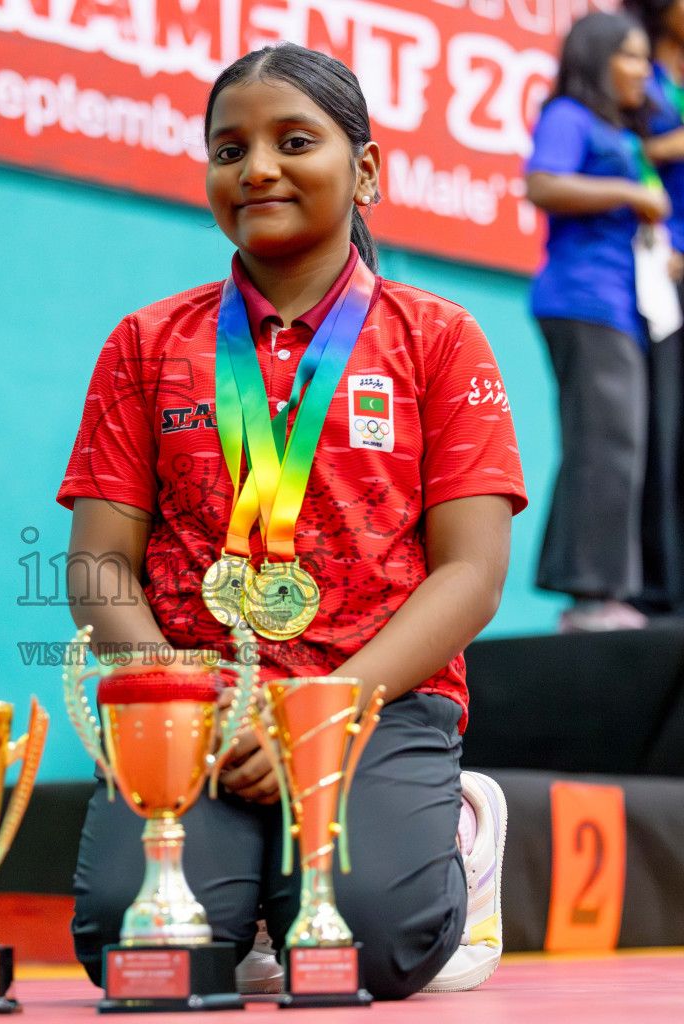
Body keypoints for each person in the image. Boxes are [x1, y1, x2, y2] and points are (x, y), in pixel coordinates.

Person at [57, 42, 527, 1000]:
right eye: (228, 150)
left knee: (376, 951)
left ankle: (458, 847)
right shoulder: (145, 346)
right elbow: (100, 565)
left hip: (376, 699)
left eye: (294, 140)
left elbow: (470, 576)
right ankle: (262, 905)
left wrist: (332, 710)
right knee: (139, 952)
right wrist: (178, 699)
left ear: (366, 170)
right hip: (203, 708)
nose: (257, 167)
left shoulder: (439, 340)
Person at [526, 11, 671, 632]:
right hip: (581, 299)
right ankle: (588, 599)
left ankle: (605, 590)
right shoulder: (568, 117)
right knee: (602, 447)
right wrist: (631, 194)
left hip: (624, 305)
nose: (646, 71)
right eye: (632, 57)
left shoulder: (627, 133)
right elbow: (542, 184)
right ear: (597, 58)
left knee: (622, 448)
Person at [623, 0, 684, 617]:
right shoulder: (641, 79)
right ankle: (656, 591)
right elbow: (631, 152)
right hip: (653, 275)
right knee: (656, 434)